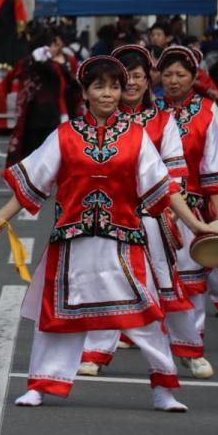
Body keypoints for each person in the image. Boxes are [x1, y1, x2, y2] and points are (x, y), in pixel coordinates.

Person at [0, 55, 215, 412]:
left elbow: (165, 188)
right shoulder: (64, 136)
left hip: (124, 242)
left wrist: (196, 224)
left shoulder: (137, 138)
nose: (107, 93)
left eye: (113, 86)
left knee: (146, 315)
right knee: (57, 316)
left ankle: (163, 388)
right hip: (72, 243)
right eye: (99, 86)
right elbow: (34, 183)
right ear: (85, 92)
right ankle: (41, 385)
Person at [78, 45, 194, 376]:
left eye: (138, 77)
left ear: (147, 80)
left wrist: (179, 214)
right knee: (106, 281)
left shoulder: (161, 121)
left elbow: (173, 173)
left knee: (164, 278)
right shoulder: (98, 122)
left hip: (151, 213)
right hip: (109, 216)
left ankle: (188, 346)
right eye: (123, 79)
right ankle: (96, 353)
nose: (130, 85)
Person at [154, 45, 218, 379]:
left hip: (191, 209)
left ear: (195, 77)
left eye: (180, 75)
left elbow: (214, 169)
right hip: (150, 207)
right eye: (167, 74)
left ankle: (191, 348)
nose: (173, 81)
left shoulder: (208, 111)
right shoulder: (150, 110)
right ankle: (103, 349)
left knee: (191, 279)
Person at [5, 39, 79, 166]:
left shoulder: (62, 61)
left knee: (43, 151)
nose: (56, 48)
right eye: (53, 45)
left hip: (51, 111)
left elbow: (73, 83)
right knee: (38, 151)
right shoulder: (37, 63)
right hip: (37, 113)